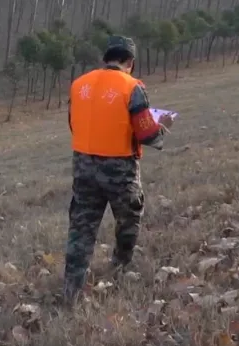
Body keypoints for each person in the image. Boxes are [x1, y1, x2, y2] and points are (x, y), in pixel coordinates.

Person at [63, 35, 174, 305]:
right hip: (120, 169)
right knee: (128, 218)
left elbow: (73, 124)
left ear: (106, 58)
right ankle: (121, 265)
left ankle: (71, 289)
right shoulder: (132, 86)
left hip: (83, 167)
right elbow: (146, 132)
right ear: (130, 62)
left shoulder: (79, 85)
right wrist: (164, 126)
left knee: (82, 227)